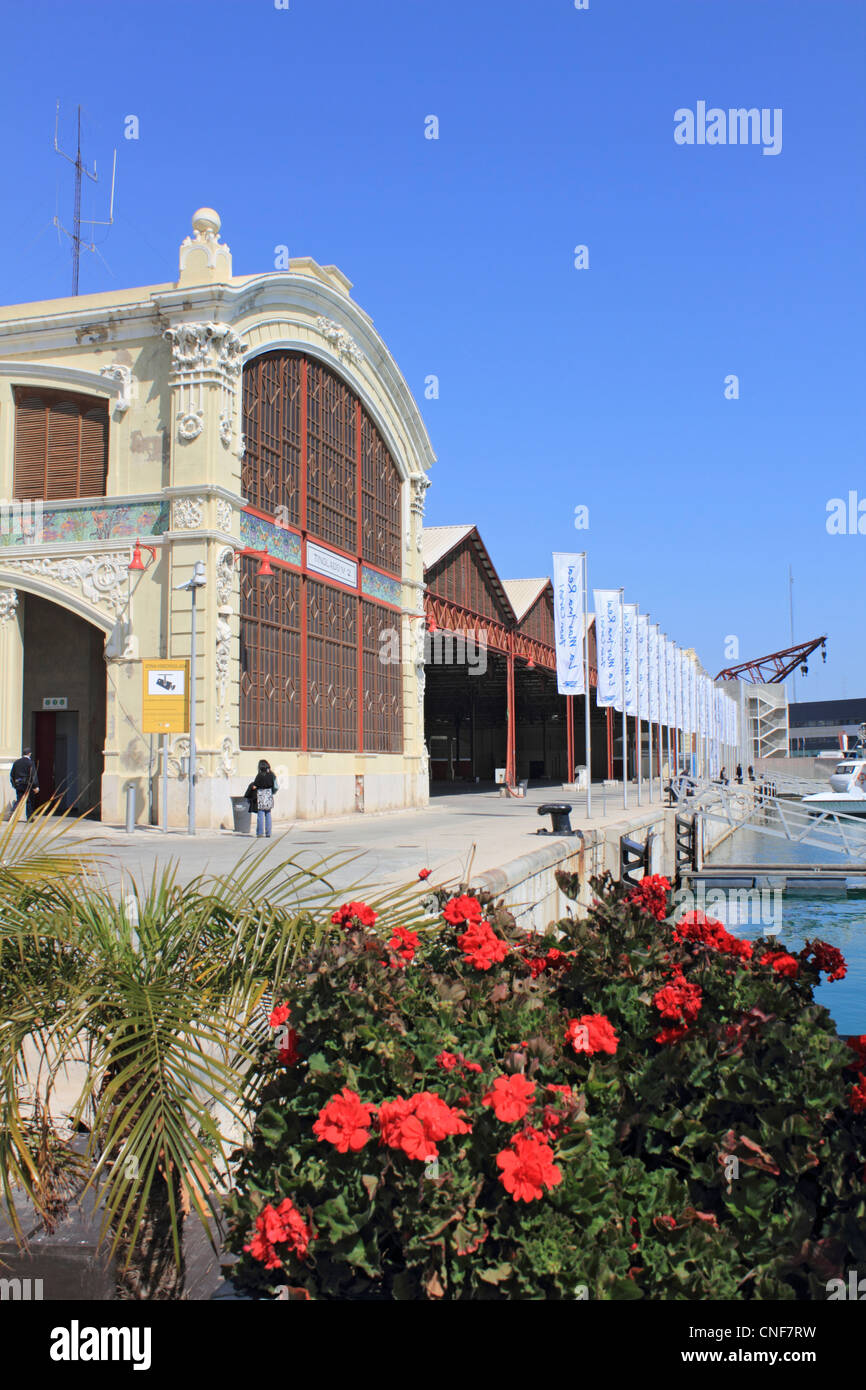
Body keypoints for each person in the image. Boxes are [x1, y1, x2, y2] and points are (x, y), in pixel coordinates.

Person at [245, 759, 278, 838]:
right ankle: (268, 832)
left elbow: (255, 785)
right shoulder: (271, 775)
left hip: (261, 794)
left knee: (261, 814)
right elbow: (273, 785)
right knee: (268, 814)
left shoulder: (259, 775)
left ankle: (260, 833)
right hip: (269, 794)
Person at [9, 747, 39, 821]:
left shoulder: (16, 762)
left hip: (18, 784)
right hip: (27, 784)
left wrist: (14, 784)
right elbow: (33, 775)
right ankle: (30, 817)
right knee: (29, 801)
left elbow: (12, 774)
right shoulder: (30, 763)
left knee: (19, 800)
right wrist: (36, 786)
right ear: (29, 754)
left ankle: (13, 813)